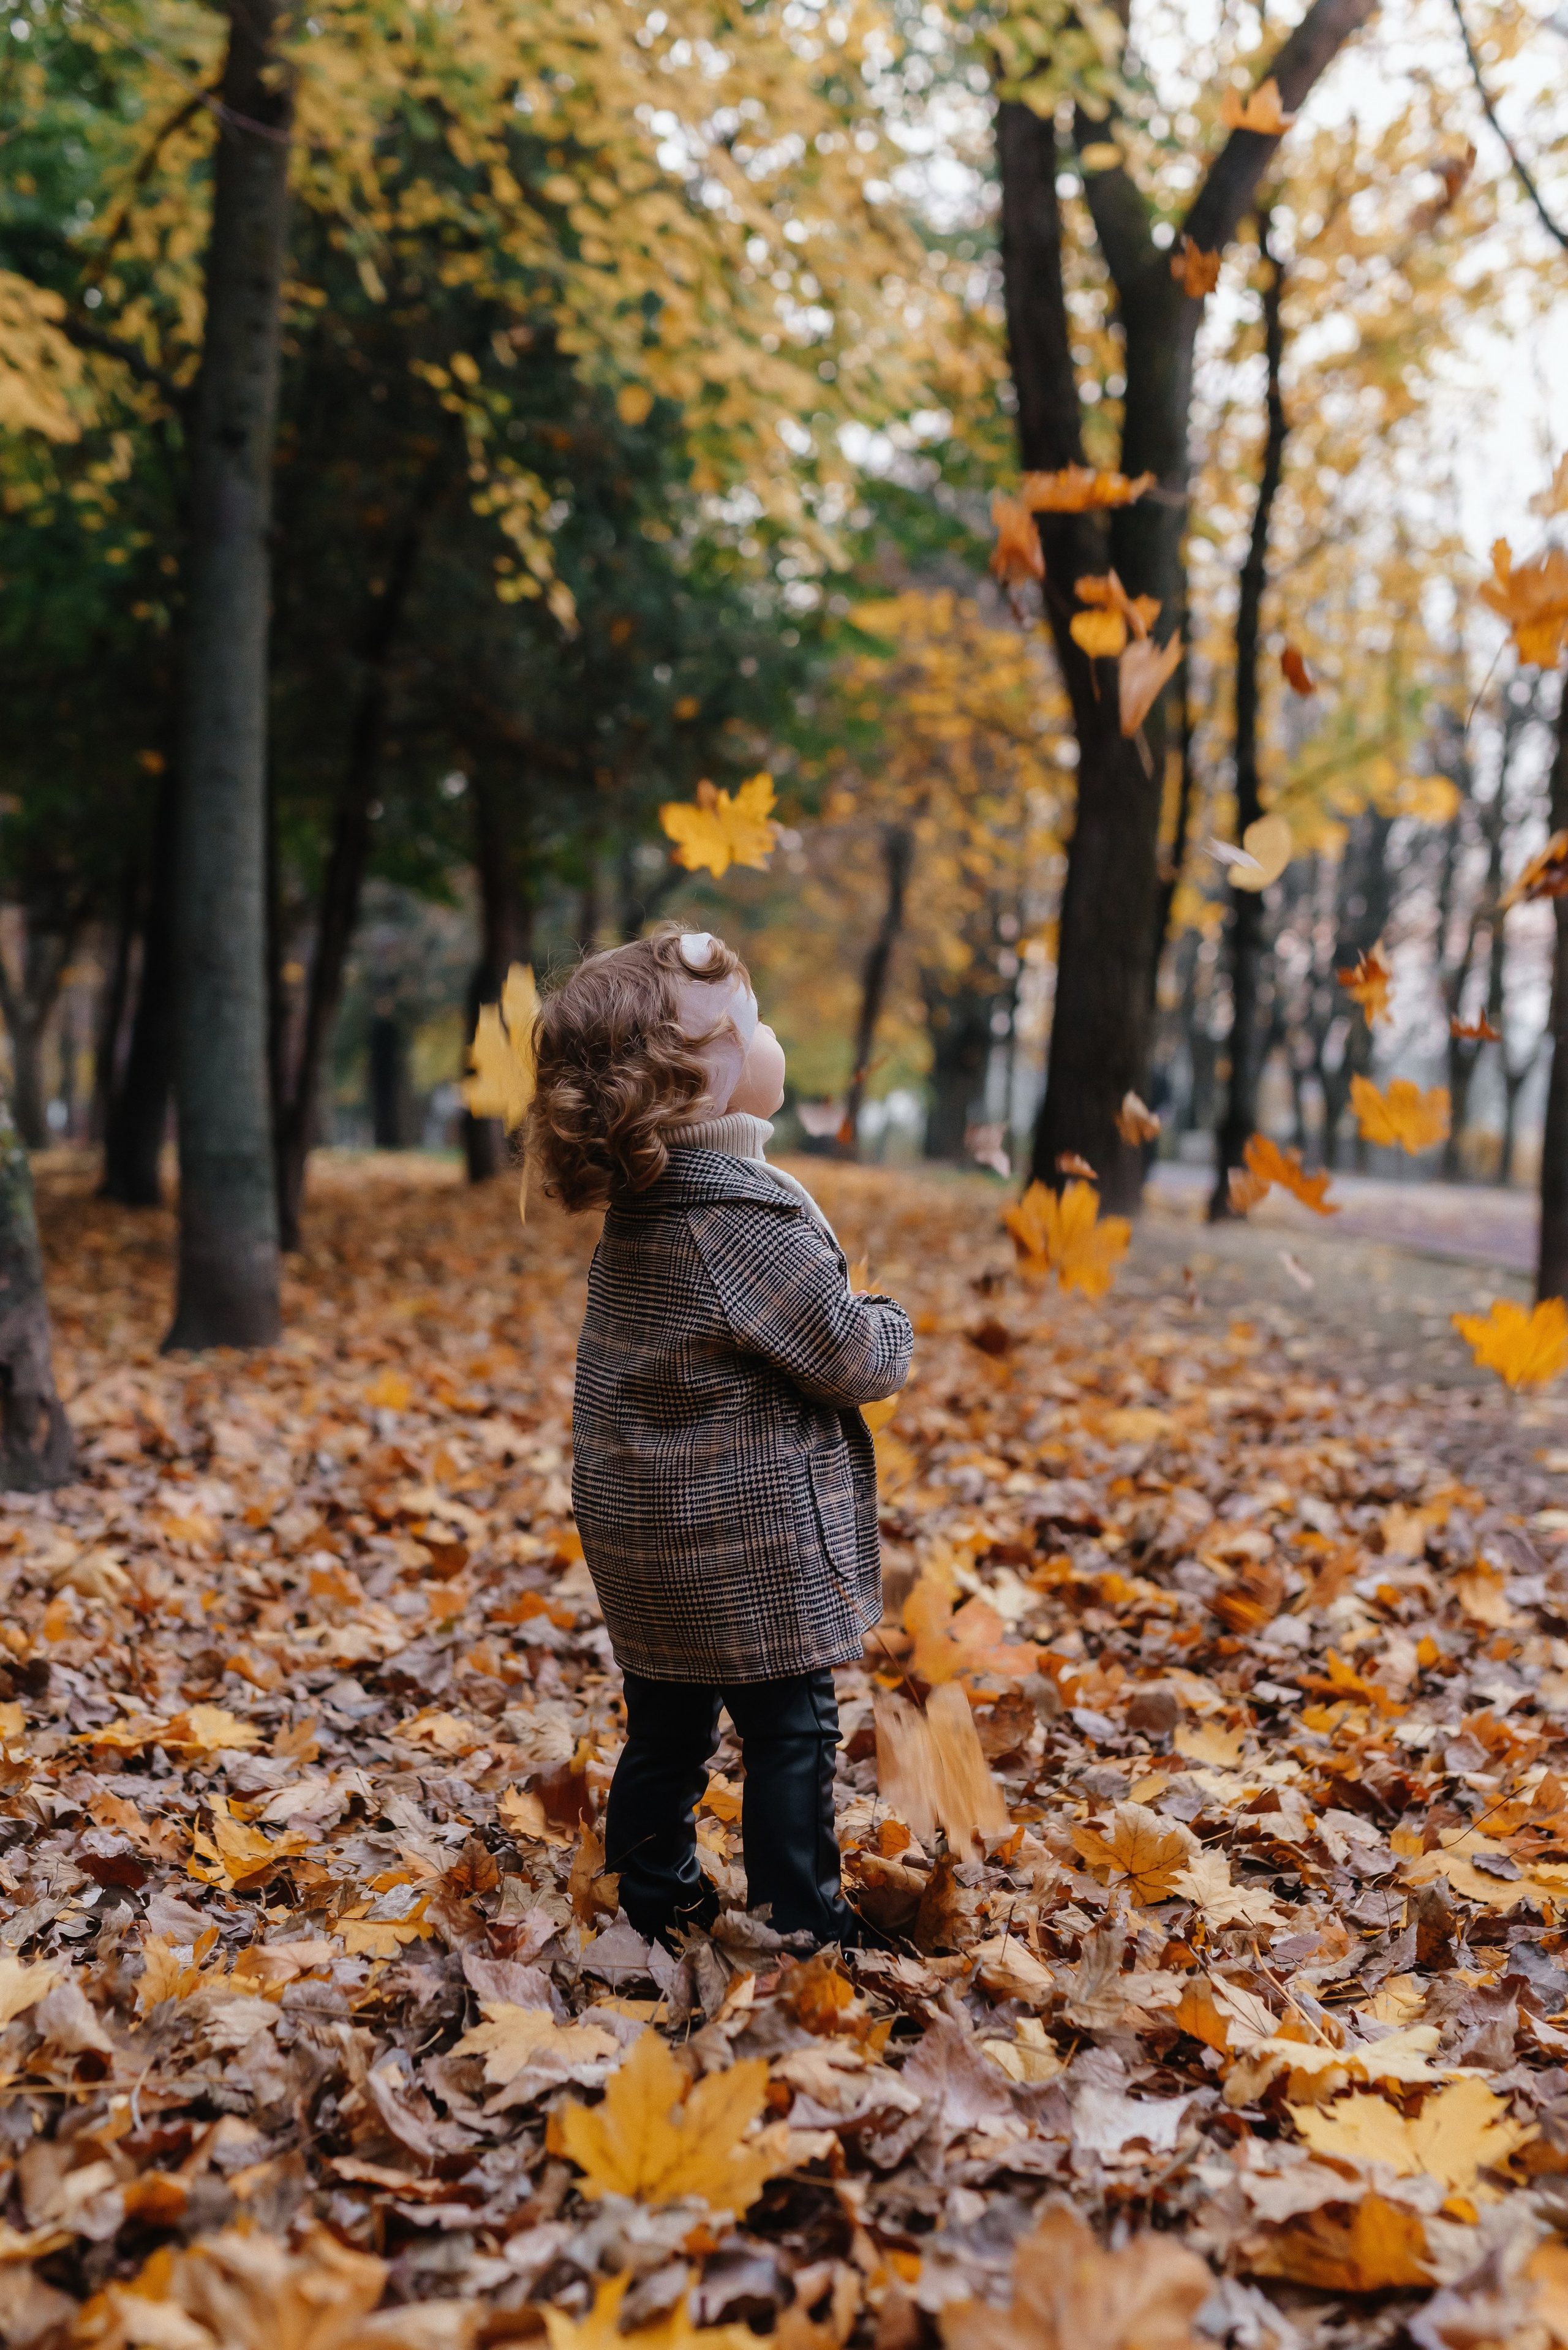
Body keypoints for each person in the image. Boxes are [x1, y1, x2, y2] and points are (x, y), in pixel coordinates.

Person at [526, 927, 912, 1949]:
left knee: (668, 1728)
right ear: (698, 1086)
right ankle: (800, 1911)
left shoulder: (651, 1207)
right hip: (745, 1548)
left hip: (654, 1540)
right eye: (750, 1024)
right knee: (793, 1730)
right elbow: (847, 1355)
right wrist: (892, 1318)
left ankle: (651, 1892)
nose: (771, 1036)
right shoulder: (733, 1218)